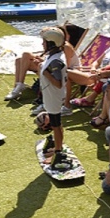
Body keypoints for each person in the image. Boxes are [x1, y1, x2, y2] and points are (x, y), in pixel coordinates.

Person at [37, 27, 70, 170]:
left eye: (44, 42)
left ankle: (57, 153)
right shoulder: (54, 55)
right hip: (51, 97)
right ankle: (58, 146)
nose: (42, 44)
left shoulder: (56, 62)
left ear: (51, 43)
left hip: (54, 97)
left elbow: (58, 83)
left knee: (55, 125)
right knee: (57, 124)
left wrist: (46, 74)